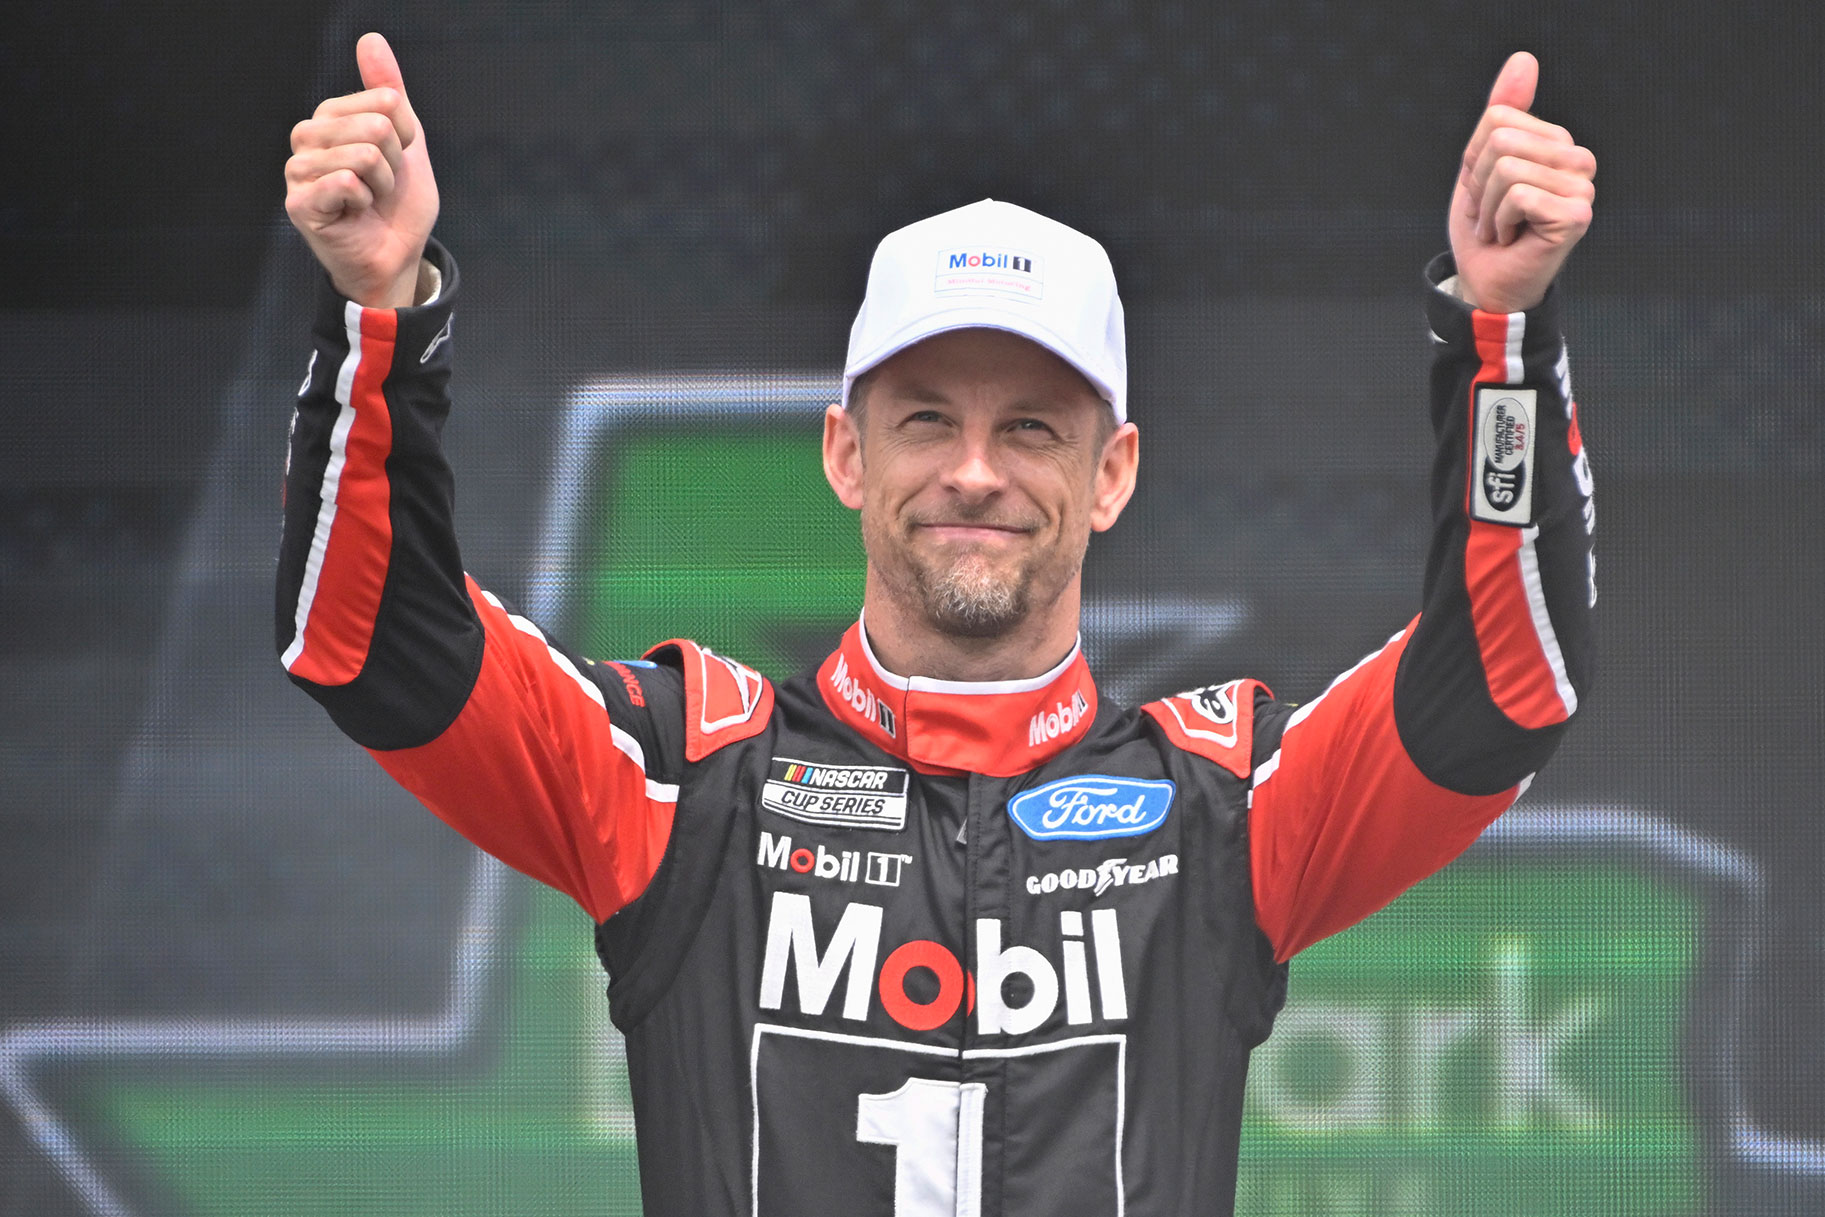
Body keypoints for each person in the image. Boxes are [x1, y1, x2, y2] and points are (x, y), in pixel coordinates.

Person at [278, 32, 1596, 1217]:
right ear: (846, 453)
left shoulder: (1221, 808)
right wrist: (381, 311)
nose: (976, 469)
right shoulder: (687, 780)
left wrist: (1499, 337)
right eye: (926, 419)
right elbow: (373, 641)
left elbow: (1500, 688)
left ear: (1114, 472)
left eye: (1031, 426)